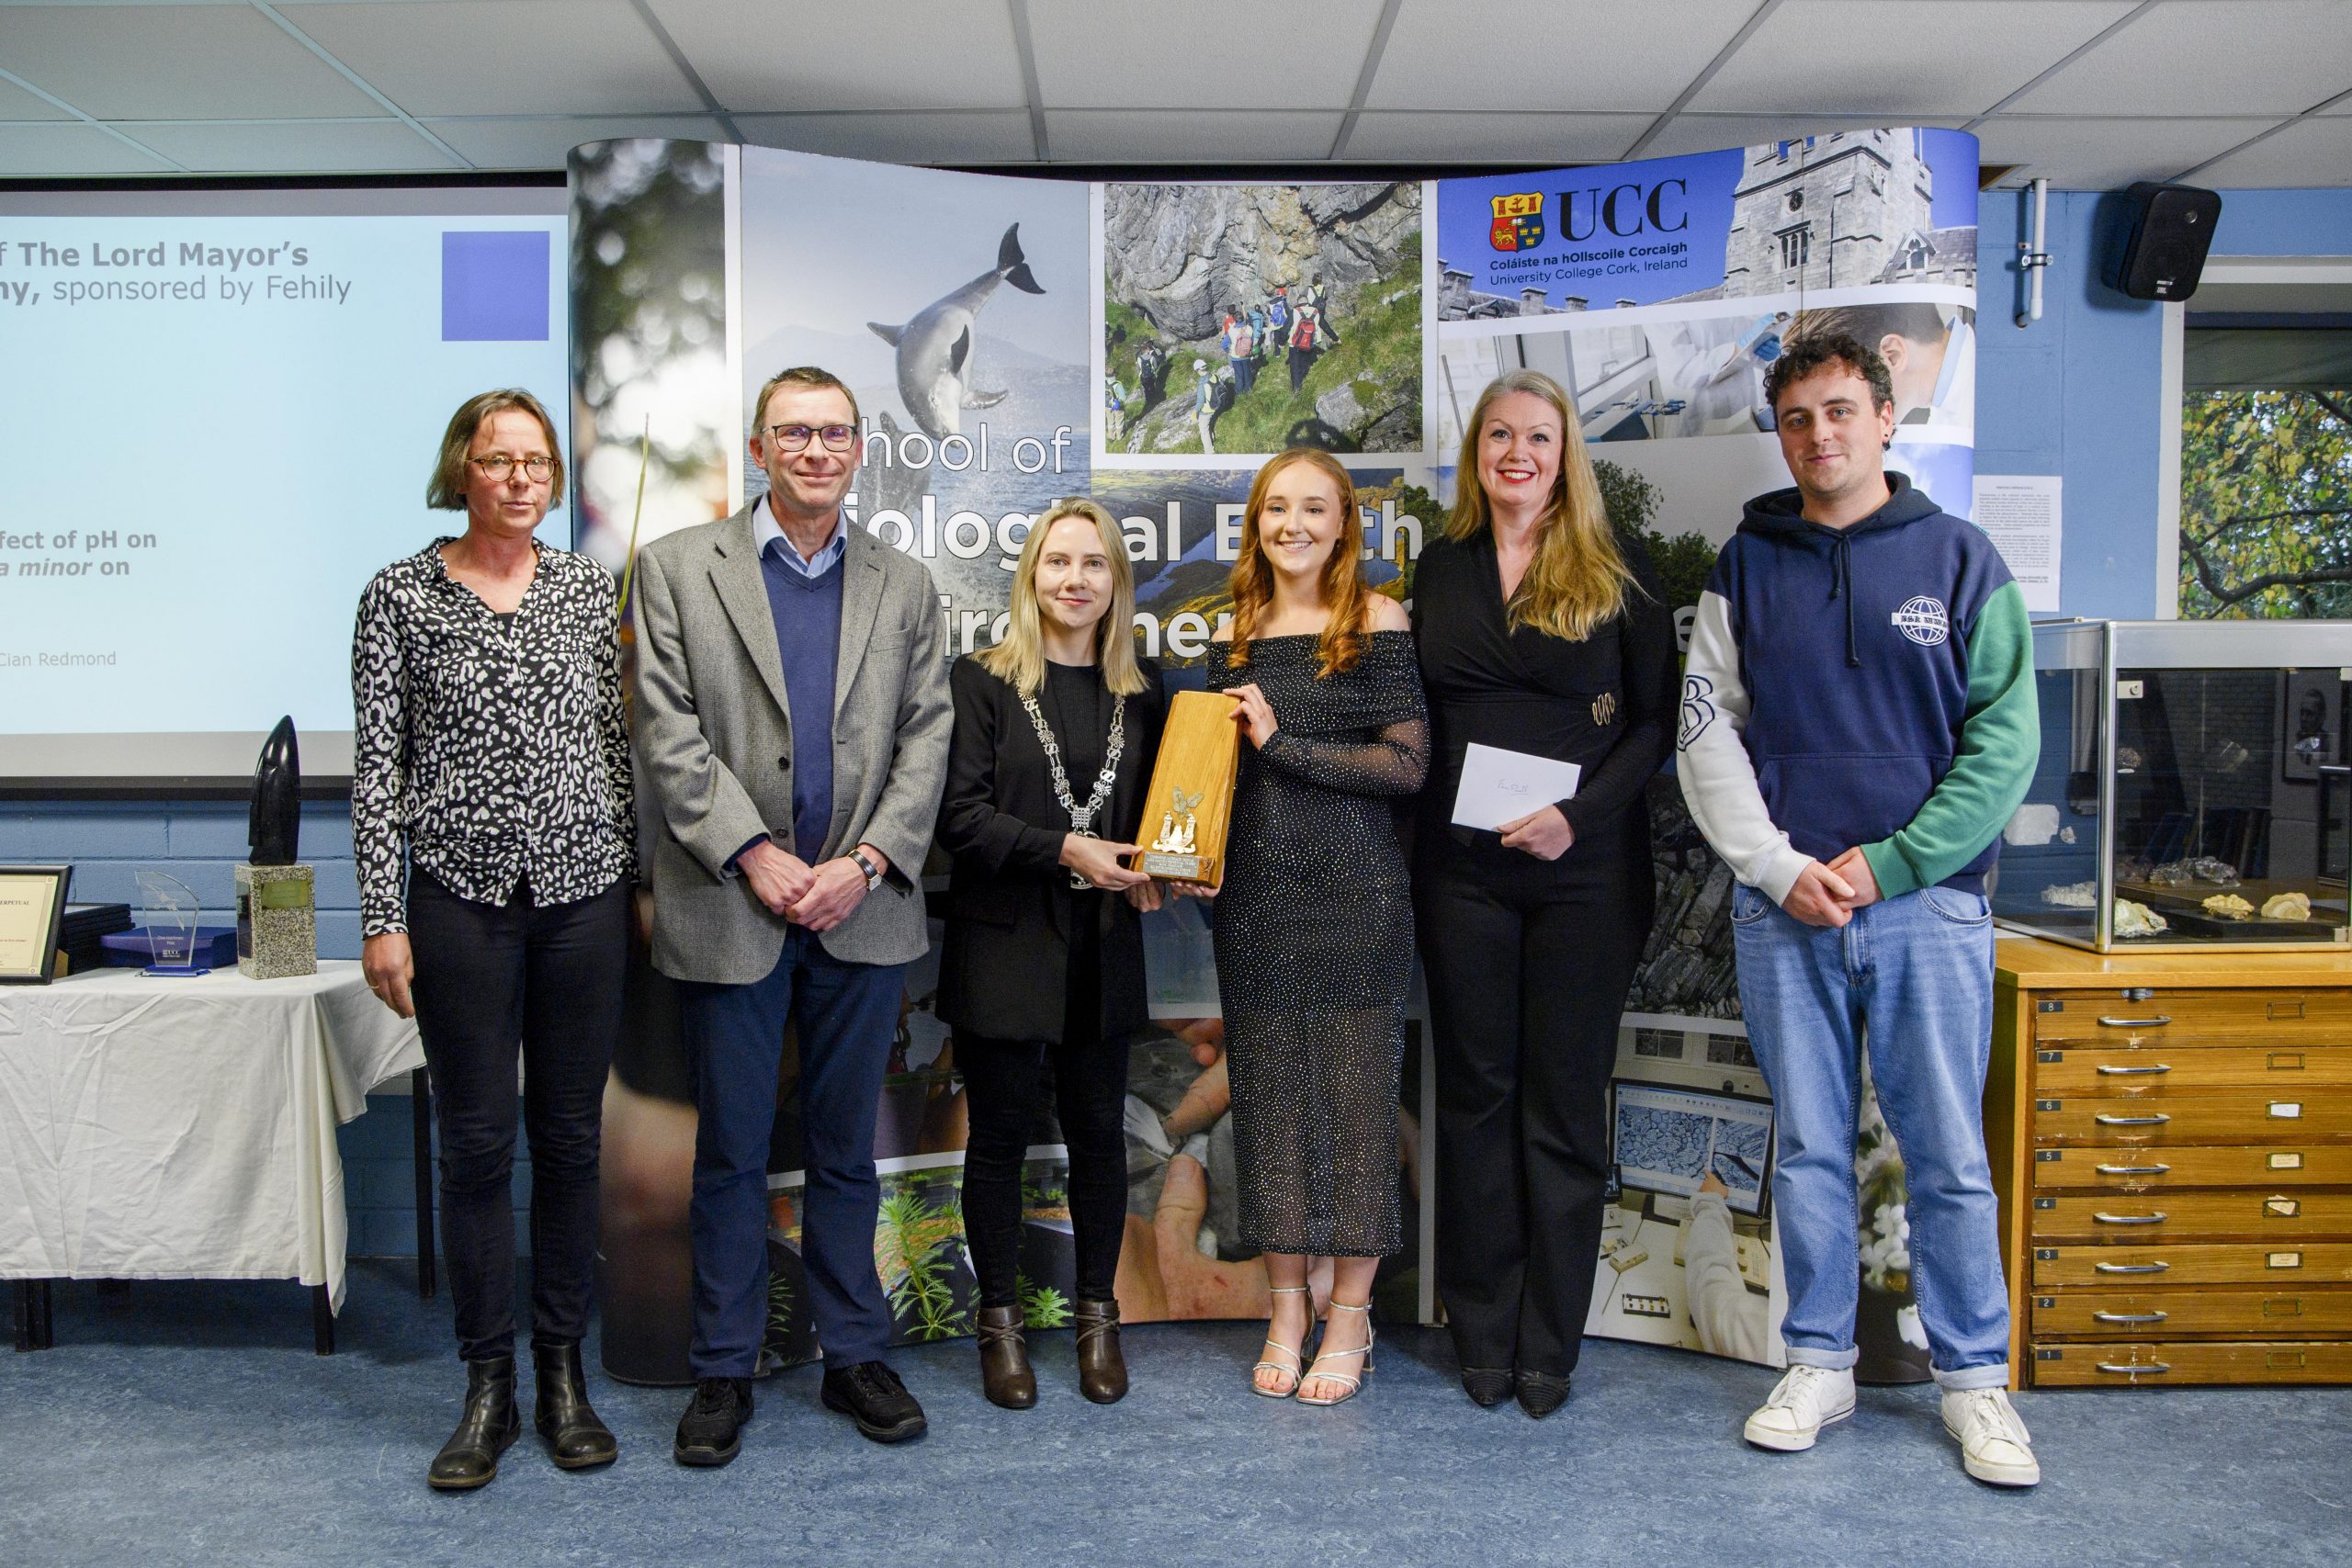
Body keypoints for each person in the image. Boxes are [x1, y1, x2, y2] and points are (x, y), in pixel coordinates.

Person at [1676, 332, 2041, 1486]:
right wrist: (1779, 868)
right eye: (1797, 419)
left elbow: (2004, 745)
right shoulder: (1743, 564)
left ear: (1886, 418)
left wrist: (1890, 865)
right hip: (1785, 908)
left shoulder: (1962, 557)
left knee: (1944, 1153)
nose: (1819, 435)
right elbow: (1704, 731)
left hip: (1926, 906)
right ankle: (1819, 1361)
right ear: (1780, 434)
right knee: (1813, 1154)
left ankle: (1976, 1385)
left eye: (1840, 411)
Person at [632, 365, 952, 1463]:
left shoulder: (904, 584)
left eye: (835, 433)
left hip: (859, 909)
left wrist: (864, 861)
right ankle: (722, 1370)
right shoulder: (676, 570)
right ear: (760, 448)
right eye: (794, 433)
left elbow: (927, 740)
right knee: (728, 1150)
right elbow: (666, 737)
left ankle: (854, 1351)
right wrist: (755, 853)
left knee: (845, 1149)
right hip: (732, 902)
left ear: (859, 450)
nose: (815, 451)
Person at [353, 388, 632, 1490]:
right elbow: (379, 768)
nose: (520, 477)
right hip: (458, 899)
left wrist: (635, 880)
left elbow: (617, 749)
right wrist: (382, 914)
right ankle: (487, 1386)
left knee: (568, 1140)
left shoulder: (582, 589)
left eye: (537, 462)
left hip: (582, 897)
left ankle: (563, 1373)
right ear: (460, 471)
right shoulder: (400, 597)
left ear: (554, 480)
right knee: (473, 1146)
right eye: (498, 458)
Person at [1410, 368, 1677, 1417]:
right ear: (1477, 452)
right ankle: (1481, 1328)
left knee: (1561, 1108)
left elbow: (1654, 726)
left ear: (1569, 454)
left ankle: (1548, 1343)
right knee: (1475, 1100)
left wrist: (1578, 817)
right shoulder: (1441, 569)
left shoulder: (1618, 569)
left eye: (1539, 437)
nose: (1518, 453)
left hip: (1587, 876)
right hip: (1462, 875)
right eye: (1499, 436)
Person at [1204, 447, 1426, 1407]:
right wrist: (1191, 850)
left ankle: (1350, 1318)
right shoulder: (1236, 633)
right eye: (1274, 508)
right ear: (1256, 522)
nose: (1292, 524)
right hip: (1253, 895)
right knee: (1269, 1107)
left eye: (1313, 508)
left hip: (1356, 895)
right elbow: (1214, 773)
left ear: (1345, 523)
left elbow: (1406, 767)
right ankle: (1286, 1308)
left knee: (1354, 1109)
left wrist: (1282, 742)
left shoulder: (1376, 620)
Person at [936, 498, 1166, 1409]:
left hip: (1103, 946)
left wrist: (1155, 869)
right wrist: (1062, 849)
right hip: (1004, 944)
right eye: (1056, 564)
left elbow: (1160, 821)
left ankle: (1097, 1320)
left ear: (1117, 580)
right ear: (1030, 577)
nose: (1074, 581)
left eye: (1093, 565)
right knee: (995, 1143)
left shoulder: (1145, 695)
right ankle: (1000, 1326)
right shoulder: (981, 681)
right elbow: (959, 820)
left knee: (1099, 1142)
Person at [1225, 308, 1257, 395]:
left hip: (1235, 356)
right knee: (1247, 373)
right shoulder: (1249, 328)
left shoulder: (1231, 331)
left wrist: (1229, 351)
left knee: (1238, 375)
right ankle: (1248, 390)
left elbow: (1223, 344)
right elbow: (1252, 341)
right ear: (1243, 318)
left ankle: (1239, 393)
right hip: (1246, 355)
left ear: (1234, 319)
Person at [1193, 358, 1217, 455]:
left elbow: (1200, 402)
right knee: (1209, 423)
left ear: (1198, 370)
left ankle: (1209, 452)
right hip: (1216, 405)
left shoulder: (1202, 383)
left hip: (1207, 409)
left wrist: (1195, 412)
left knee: (1203, 430)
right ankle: (1213, 438)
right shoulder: (1213, 376)